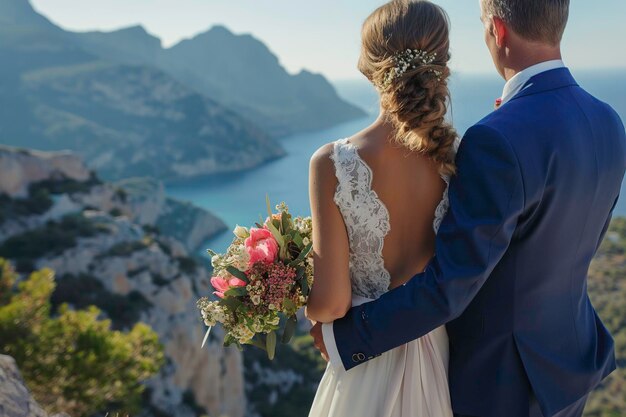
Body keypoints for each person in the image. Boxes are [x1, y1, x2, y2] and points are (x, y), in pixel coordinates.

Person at [309, 0, 626, 416]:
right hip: (570, 364)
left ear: (497, 30)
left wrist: (344, 337)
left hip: (502, 380)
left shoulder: (496, 139)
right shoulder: (607, 120)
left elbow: (451, 283)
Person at [306, 1, 457, 416]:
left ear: (369, 66)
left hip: (365, 363)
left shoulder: (334, 163)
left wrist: (292, 290)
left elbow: (332, 304)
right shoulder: (459, 157)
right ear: (441, 64)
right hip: (443, 360)